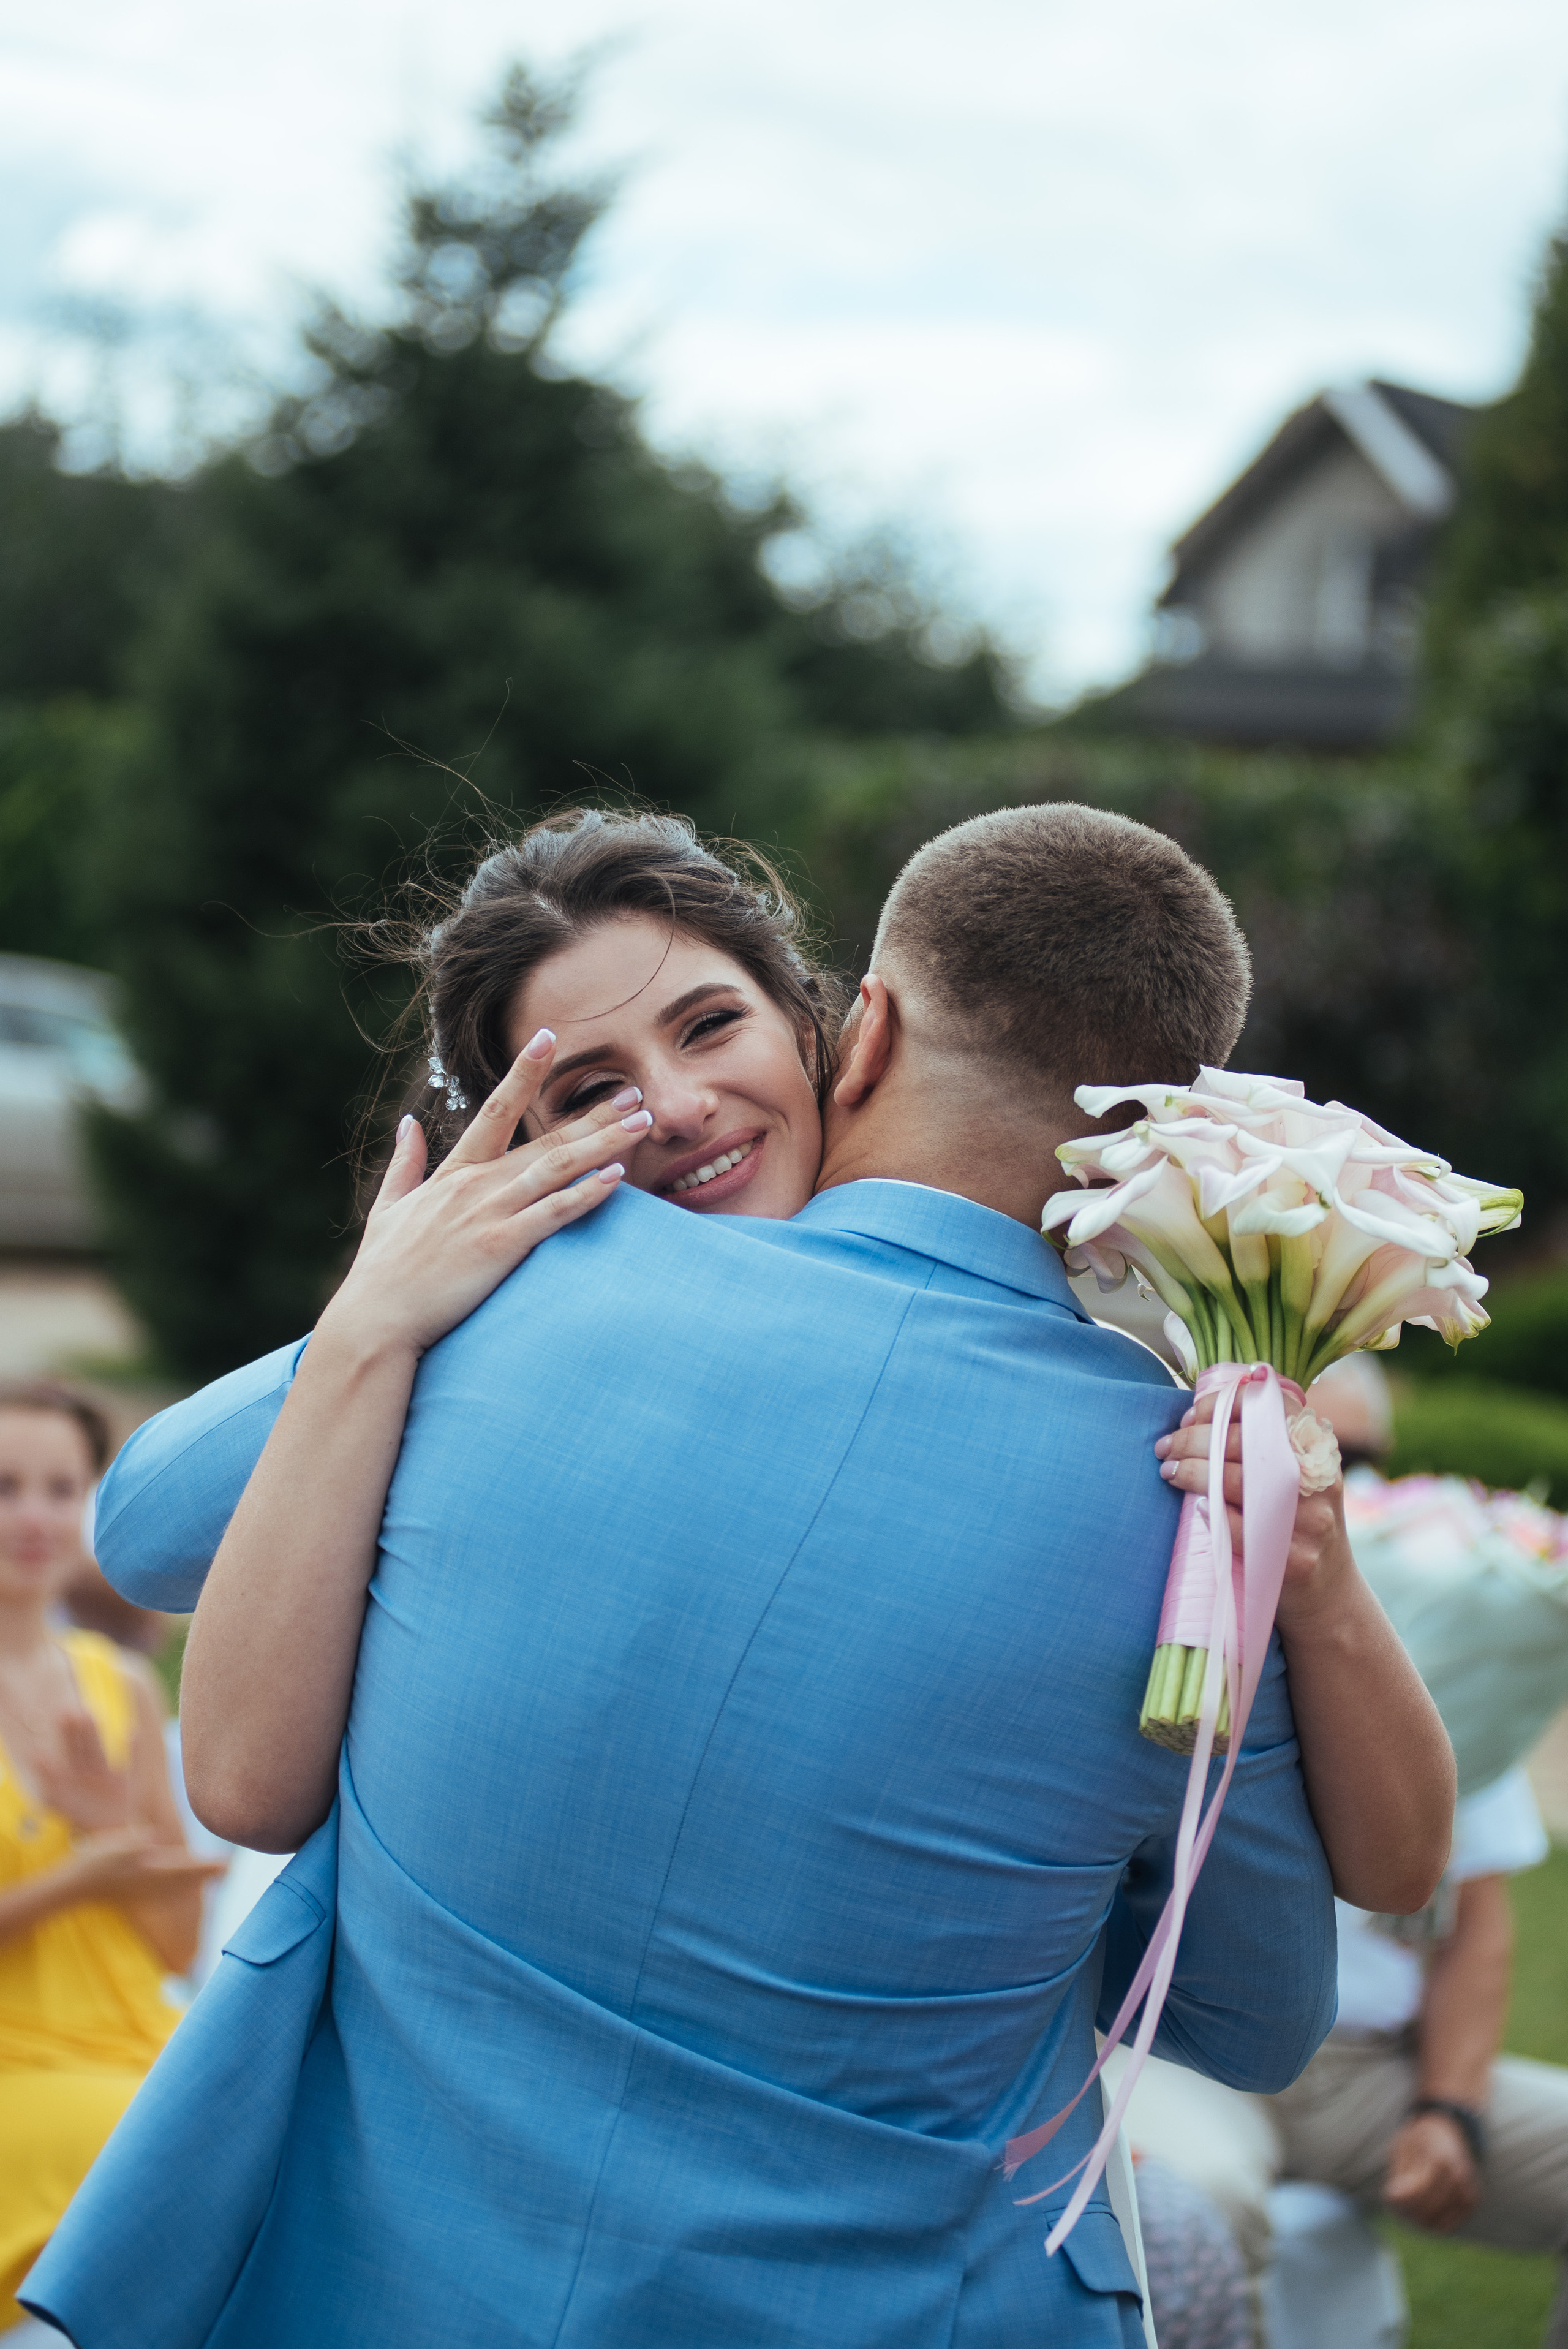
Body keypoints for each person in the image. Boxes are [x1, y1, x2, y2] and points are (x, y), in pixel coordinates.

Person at [29, 807, 1451, 2349]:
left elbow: (148, 1524)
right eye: (590, 1090)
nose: (676, 1108)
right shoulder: (1181, 1499)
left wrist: (389, 1311)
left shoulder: (502, 1312)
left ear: (846, 1024)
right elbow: (1252, 2014)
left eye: (709, 1026)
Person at [1107, 1353, 1568, 2349]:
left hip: (1368, 2072)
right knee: (1202, 2208)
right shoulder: (1157, 1628)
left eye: (1350, 1455)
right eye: (1285, 1442)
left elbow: (1474, 1917)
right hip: (1188, 2057)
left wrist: (1451, 2107)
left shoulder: (1435, 1660)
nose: (1319, 1474)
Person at [0, 1381, 219, 2335]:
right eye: (4, 1487)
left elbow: (178, 1946)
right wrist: (76, 1880)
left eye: (61, 1488)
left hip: (135, 2042)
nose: (34, 1516)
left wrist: (106, 1829)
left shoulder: (120, 1683)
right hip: (21, 2062)